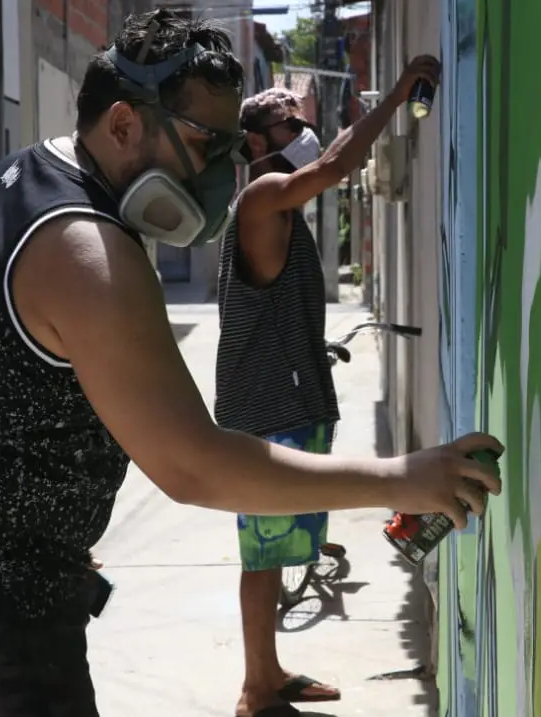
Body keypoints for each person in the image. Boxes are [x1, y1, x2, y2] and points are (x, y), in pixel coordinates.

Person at [0, 10, 500, 717]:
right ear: (123, 125)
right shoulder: (86, 250)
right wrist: (401, 478)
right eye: (202, 145)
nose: (220, 173)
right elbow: (192, 465)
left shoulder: (28, 175)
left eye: (230, 150)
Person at [214, 58, 439, 717]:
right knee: (263, 553)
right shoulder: (260, 198)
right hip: (265, 409)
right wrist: (400, 93)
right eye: (288, 127)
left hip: (287, 400)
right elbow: (337, 167)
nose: (302, 134)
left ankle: (270, 671)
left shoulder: (281, 204)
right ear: (255, 145)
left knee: (278, 548)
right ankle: (257, 689)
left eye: (302, 124)